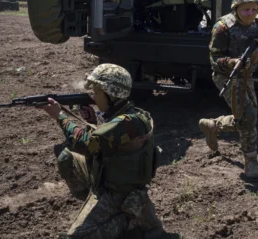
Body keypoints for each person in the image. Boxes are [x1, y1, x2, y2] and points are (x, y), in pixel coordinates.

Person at [39, 63, 164, 239]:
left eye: (97, 93)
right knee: (67, 157)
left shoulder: (127, 122)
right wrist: (92, 121)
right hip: (104, 181)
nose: (93, 98)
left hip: (119, 193)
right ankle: (95, 204)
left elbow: (85, 144)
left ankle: (129, 220)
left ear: (111, 94)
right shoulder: (124, 114)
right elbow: (105, 142)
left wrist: (60, 116)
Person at [198, 0, 258, 179]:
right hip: (226, 76)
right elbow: (214, 59)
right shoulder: (223, 26)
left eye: (254, 9)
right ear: (236, 8)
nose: (250, 13)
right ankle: (251, 160)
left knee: (247, 117)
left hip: (246, 76)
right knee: (248, 116)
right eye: (245, 10)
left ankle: (214, 126)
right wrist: (232, 63)